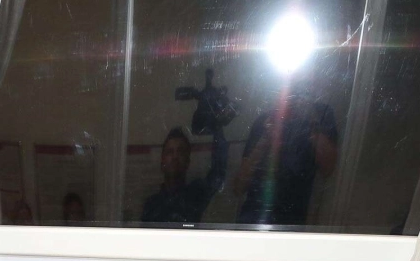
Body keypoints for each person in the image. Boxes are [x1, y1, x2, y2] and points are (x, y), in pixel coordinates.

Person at [234, 94, 338, 226]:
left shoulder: (320, 116)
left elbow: (328, 169)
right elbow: (238, 187)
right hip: (252, 218)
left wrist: (311, 120)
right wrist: (265, 139)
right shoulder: (265, 121)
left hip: (292, 223)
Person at [140, 126, 229, 225]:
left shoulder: (195, 195)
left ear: (187, 161)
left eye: (180, 151)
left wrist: (217, 128)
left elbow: (217, 174)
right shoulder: (151, 205)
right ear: (162, 163)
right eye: (170, 152)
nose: (175, 157)